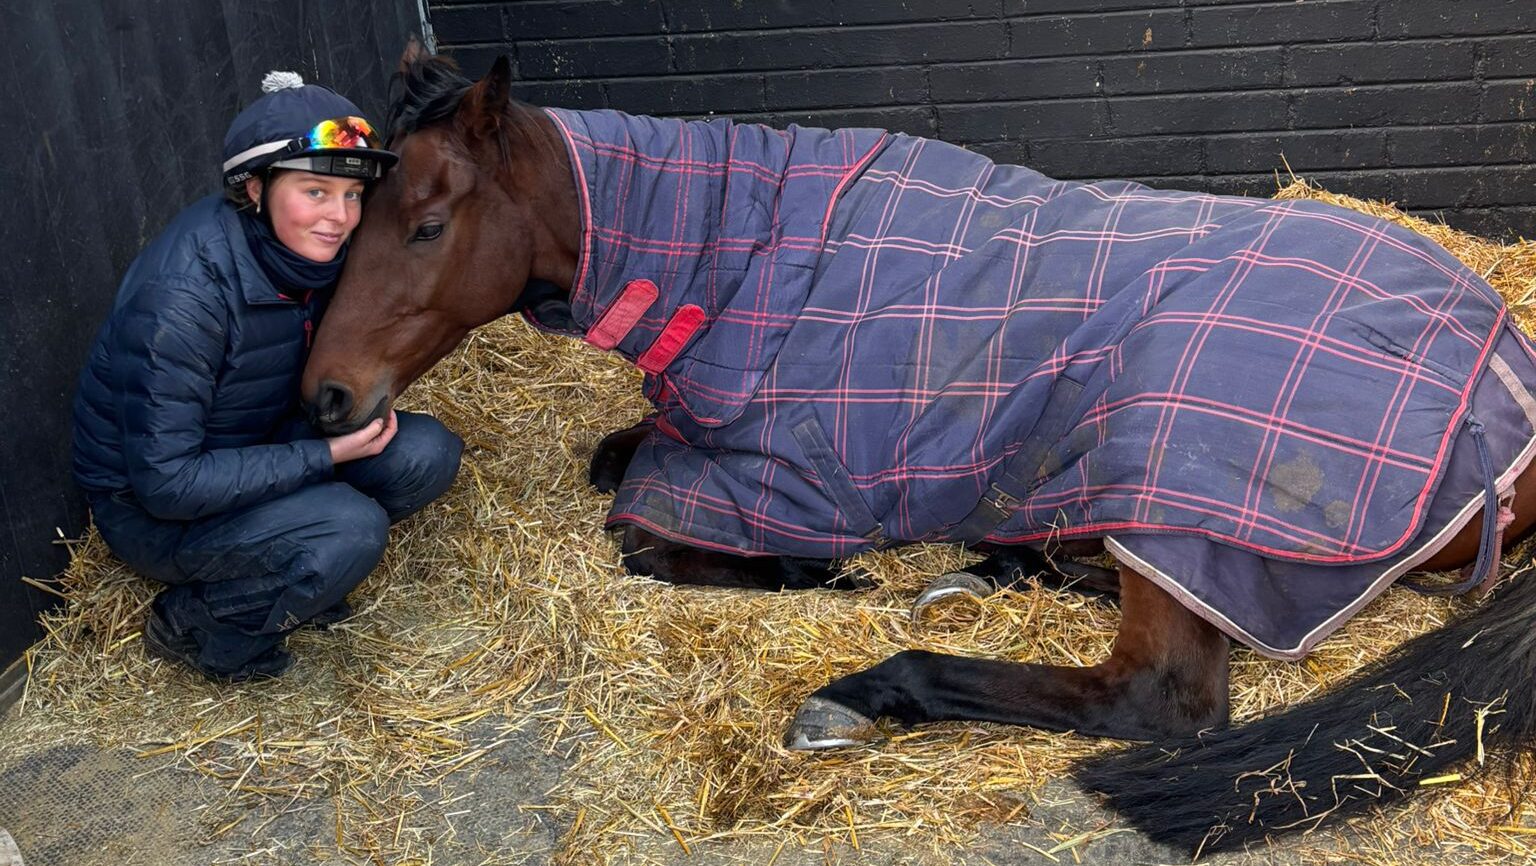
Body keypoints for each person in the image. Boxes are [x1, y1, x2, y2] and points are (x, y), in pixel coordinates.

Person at [71, 72, 463, 681]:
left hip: (258, 440)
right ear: (255, 189)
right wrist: (326, 455)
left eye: (353, 195)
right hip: (158, 510)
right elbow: (168, 484)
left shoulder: (314, 253)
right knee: (351, 530)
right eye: (315, 191)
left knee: (427, 452)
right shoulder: (182, 303)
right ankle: (196, 623)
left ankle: (299, 560)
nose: (339, 217)